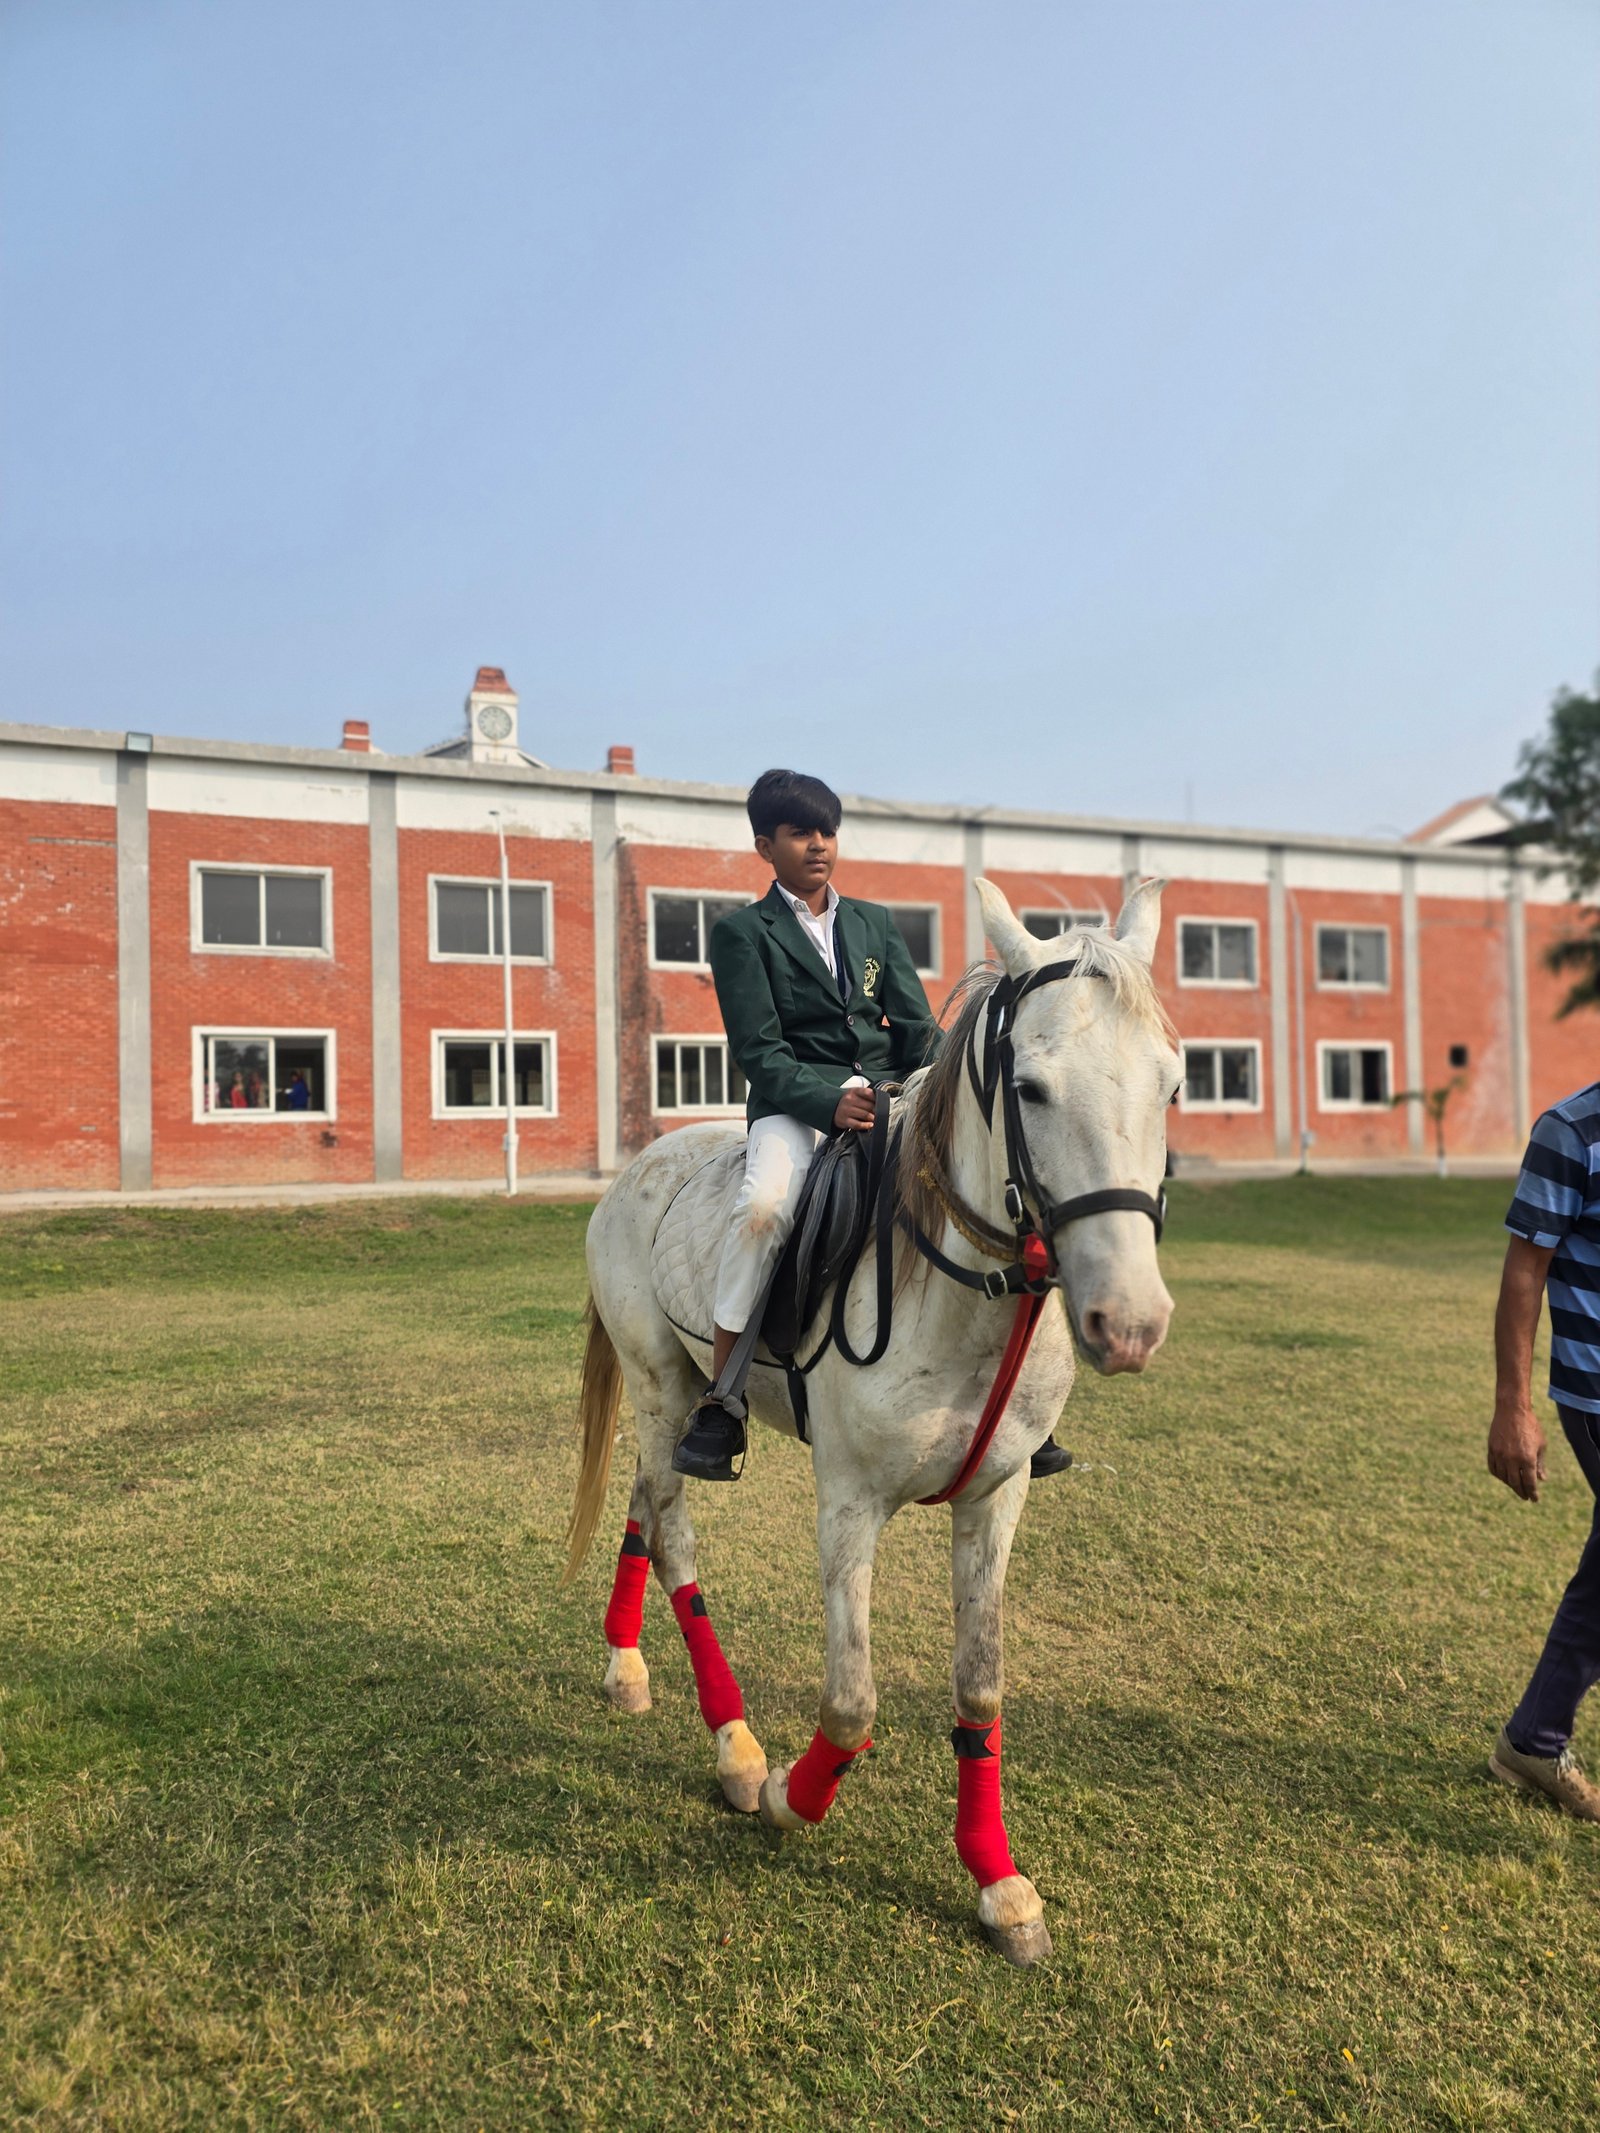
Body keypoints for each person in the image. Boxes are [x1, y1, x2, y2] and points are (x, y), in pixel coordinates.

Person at [672, 766, 1071, 1486]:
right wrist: (827, 1101)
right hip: (798, 1105)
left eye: (827, 831)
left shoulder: (874, 923)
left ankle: (1014, 1399)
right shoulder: (741, 935)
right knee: (763, 1209)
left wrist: (951, 1085)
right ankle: (723, 1397)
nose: (818, 844)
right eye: (800, 832)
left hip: (892, 1093)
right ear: (765, 846)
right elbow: (760, 1052)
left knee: (983, 1187)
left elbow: (916, 1028)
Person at [1486, 1080, 1600, 1819]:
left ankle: (1534, 1738)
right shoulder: (1571, 1131)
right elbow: (1525, 1271)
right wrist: (1514, 1407)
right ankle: (1534, 1737)